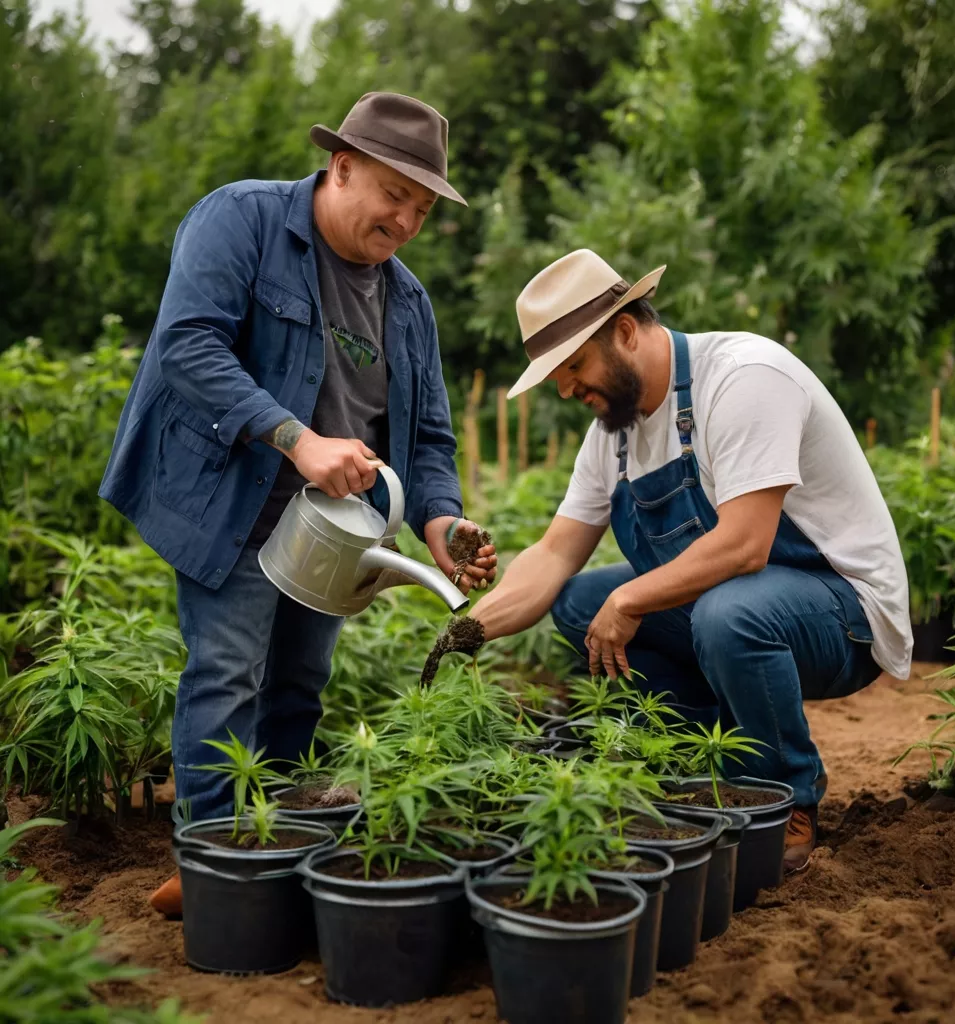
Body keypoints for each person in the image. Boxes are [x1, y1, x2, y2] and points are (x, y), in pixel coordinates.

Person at [99, 92, 496, 915]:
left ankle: (272, 847)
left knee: (300, 687)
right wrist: (295, 438)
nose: (407, 221)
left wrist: (442, 523)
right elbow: (187, 343)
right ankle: (212, 870)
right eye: (395, 195)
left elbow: (426, 439)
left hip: (331, 532)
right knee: (227, 674)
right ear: (341, 166)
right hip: (235, 500)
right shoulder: (241, 220)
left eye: (422, 207)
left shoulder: (408, 302)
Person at [437, 248, 912, 873]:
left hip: (842, 611)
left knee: (723, 613)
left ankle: (783, 798)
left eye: (575, 365)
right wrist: (466, 628)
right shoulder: (615, 431)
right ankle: (706, 769)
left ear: (626, 332)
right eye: (559, 375)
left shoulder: (744, 379)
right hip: (739, 604)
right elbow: (554, 554)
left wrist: (630, 598)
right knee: (578, 605)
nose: (569, 387)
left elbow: (745, 544)